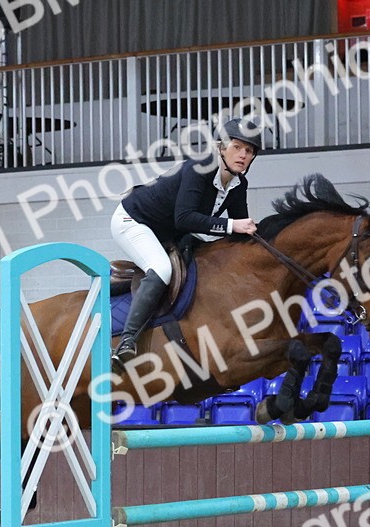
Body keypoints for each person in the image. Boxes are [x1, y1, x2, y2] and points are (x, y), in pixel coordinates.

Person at [108, 117, 263, 373]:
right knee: (161, 269)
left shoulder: (239, 185)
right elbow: (185, 218)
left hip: (169, 231)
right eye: (237, 147)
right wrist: (232, 225)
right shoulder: (198, 168)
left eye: (249, 151)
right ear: (221, 147)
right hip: (134, 220)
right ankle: (127, 342)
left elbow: (239, 232)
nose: (243, 155)